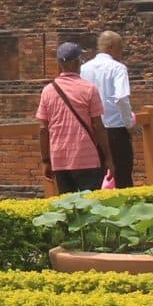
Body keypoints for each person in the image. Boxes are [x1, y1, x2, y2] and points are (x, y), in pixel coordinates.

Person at [35, 41, 113, 194]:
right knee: (92, 208)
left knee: (68, 209)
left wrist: (45, 161)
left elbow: (43, 129)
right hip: (87, 158)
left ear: (59, 64)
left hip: (60, 159)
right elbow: (98, 126)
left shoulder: (48, 91)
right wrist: (109, 158)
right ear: (77, 63)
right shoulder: (89, 89)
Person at [79, 30, 136, 188]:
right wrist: (129, 123)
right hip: (115, 129)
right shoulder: (118, 68)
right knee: (123, 178)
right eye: (120, 48)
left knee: (94, 179)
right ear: (111, 47)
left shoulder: (84, 69)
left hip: (92, 130)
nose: (121, 53)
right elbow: (121, 98)